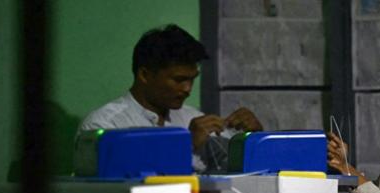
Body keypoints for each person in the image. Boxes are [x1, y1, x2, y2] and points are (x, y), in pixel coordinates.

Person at [77, 24, 263, 173]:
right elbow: (114, 188)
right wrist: (185, 146)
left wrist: (252, 139)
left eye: (192, 79)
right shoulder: (104, 126)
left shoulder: (192, 118)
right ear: (144, 75)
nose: (188, 89)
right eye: (179, 80)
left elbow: (238, 171)